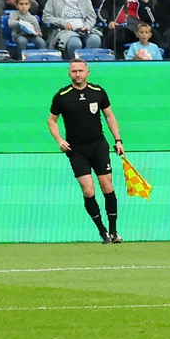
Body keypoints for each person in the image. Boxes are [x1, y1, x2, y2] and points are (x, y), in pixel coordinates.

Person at [47, 57, 129, 243]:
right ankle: (102, 232)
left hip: (98, 146)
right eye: (74, 71)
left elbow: (109, 116)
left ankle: (114, 231)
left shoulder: (98, 92)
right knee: (88, 190)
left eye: (80, 71)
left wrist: (118, 140)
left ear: (87, 72)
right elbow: (51, 120)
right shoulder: (62, 96)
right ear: (69, 73)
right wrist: (59, 140)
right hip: (77, 150)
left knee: (107, 187)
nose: (77, 74)